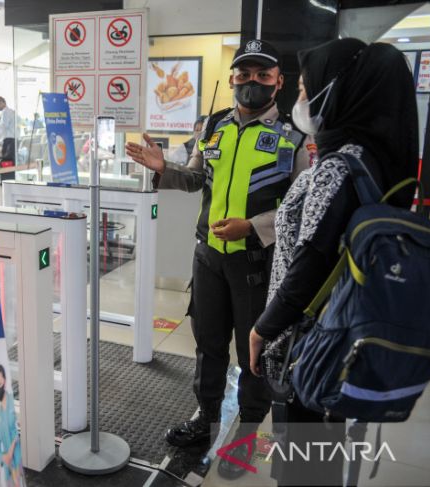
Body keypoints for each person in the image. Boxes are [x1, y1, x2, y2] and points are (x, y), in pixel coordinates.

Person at [125, 39, 311, 479]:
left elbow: (299, 206)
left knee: (254, 354)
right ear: (232, 79)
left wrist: (253, 226)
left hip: (257, 265)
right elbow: (192, 179)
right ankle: (204, 421)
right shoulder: (212, 128)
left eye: (262, 75)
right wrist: (160, 167)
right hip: (207, 259)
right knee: (208, 346)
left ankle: (245, 437)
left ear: (278, 83)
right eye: (243, 74)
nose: (251, 82)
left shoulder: (296, 140)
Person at [249, 38, 418, 486]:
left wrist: (263, 328)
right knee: (322, 452)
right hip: (348, 335)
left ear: (337, 92)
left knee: (301, 464)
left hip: (311, 343)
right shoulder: (378, 159)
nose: (299, 99)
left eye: (305, 89)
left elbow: (311, 263)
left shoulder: (338, 168)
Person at [0, 364, 22, 487]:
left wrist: (10, 452)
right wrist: (3, 457)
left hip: (16, 454)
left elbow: (17, 429)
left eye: (1, 376)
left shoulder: (12, 400)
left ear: (4, 380)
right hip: (8, 464)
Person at [0, 96, 16, 163]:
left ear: (3, 103)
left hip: (7, 139)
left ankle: (7, 173)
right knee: (10, 161)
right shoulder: (11, 111)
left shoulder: (5, 112)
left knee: (6, 161)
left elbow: (3, 126)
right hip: (11, 138)